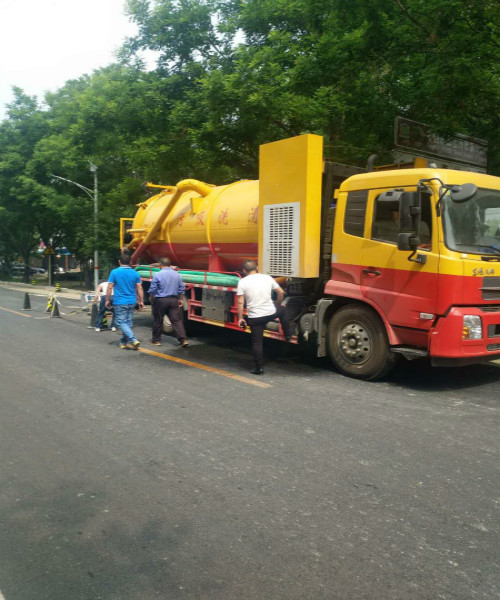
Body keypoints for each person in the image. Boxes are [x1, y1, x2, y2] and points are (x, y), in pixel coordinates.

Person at [237, 260, 292, 375]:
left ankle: (259, 368)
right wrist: (278, 303)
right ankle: (288, 334)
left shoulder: (242, 282)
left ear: (244, 271)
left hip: (255, 317)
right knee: (283, 310)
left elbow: (240, 302)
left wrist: (241, 318)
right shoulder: (267, 277)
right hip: (270, 312)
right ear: (257, 267)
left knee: (257, 342)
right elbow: (281, 292)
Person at [106, 253, 144, 350]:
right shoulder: (135, 273)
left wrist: (107, 300)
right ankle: (123, 342)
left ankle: (133, 339)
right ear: (130, 262)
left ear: (119, 262)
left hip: (120, 301)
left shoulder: (114, 272)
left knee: (121, 323)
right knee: (128, 323)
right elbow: (139, 288)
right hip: (132, 301)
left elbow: (110, 287)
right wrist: (141, 301)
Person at [149, 257, 189, 347]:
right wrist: (181, 299)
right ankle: (183, 339)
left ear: (160, 265)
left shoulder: (158, 275)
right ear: (170, 265)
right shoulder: (177, 275)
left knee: (158, 320)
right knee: (176, 321)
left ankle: (156, 340)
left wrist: (152, 297)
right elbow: (182, 288)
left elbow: (153, 289)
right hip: (174, 300)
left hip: (161, 300)